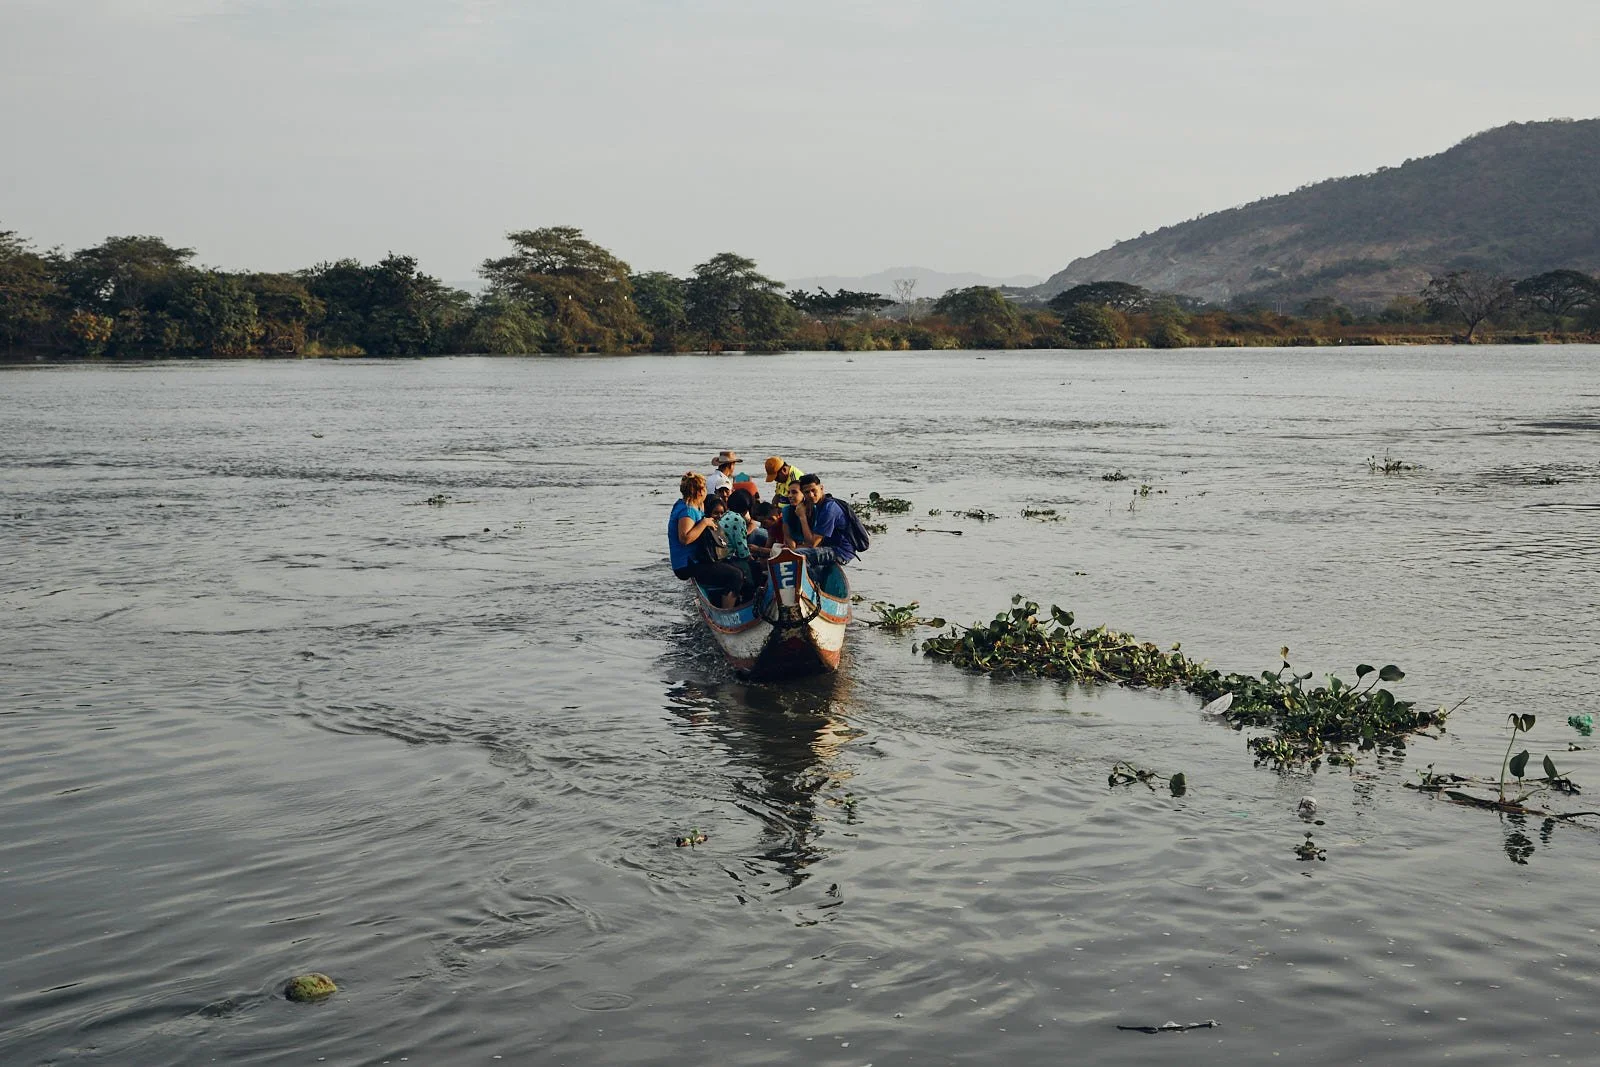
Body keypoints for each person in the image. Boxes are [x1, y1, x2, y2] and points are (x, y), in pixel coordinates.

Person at [667, 471, 747, 607]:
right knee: (736, 575)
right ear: (699, 491)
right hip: (687, 565)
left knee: (736, 565)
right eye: (704, 488)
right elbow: (684, 538)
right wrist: (704, 523)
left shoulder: (687, 504)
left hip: (695, 560)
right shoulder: (688, 510)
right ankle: (727, 612)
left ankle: (734, 598)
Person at [791, 473, 856, 568]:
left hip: (841, 552)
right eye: (806, 492)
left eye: (814, 490)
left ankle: (815, 581)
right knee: (793, 551)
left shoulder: (828, 509)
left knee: (796, 555)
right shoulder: (819, 506)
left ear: (821, 488)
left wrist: (802, 517)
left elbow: (812, 544)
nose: (811, 495)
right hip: (830, 547)